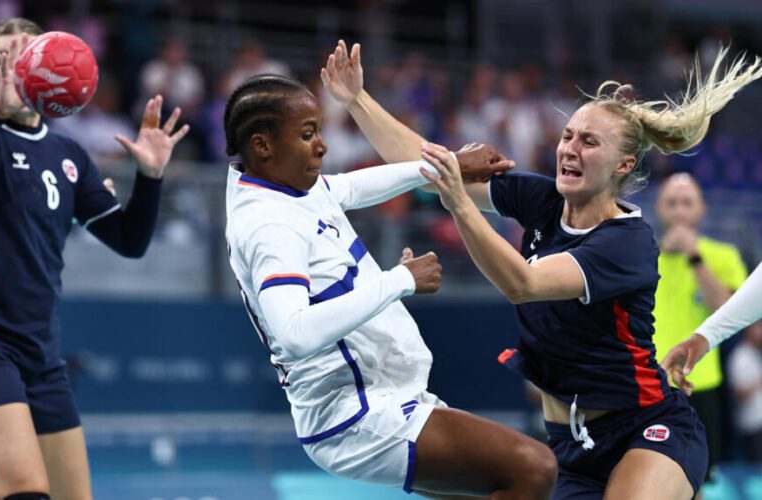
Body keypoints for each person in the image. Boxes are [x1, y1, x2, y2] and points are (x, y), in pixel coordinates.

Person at [321, 39, 762, 499]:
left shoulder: (626, 243)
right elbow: (428, 164)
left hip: (647, 427)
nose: (570, 148)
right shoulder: (543, 200)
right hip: (570, 448)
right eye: (568, 135)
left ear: (623, 164)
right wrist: (357, 100)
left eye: (589, 142)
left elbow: (523, 283)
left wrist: (456, 200)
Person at [224, 73, 557, 498]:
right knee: (534, 468)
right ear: (262, 145)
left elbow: (347, 188)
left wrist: (446, 165)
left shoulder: (285, 185)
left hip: (379, 395)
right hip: (353, 415)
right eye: (308, 134)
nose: (322, 145)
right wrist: (400, 280)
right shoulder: (268, 224)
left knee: (499, 482)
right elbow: (295, 333)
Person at [0, 18, 189, 500]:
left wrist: (149, 176)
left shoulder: (69, 154)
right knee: (26, 493)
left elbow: (130, 241)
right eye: (7, 59)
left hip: (40, 356)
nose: (21, 67)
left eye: (30, 55)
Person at [651, 172, 747, 483]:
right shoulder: (642, 257)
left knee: (700, 480)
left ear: (701, 209)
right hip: (651, 386)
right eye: (672, 203)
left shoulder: (723, 256)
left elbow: (729, 311)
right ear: (659, 208)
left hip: (701, 384)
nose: (679, 211)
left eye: (687, 203)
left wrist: (694, 256)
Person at [726, 320, 762, 463]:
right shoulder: (739, 356)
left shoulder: (757, 354)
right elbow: (738, 395)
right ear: (749, 329)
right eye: (759, 327)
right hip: (752, 425)